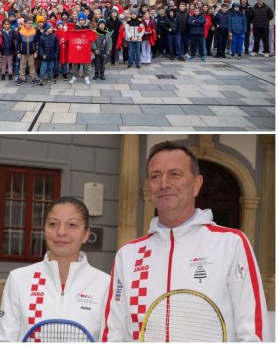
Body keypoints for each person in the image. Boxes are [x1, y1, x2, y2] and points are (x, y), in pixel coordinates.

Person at [103, 141, 270, 342]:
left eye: (175, 174)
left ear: (197, 184)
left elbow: (253, 331)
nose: (164, 184)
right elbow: (113, 333)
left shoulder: (232, 243)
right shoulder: (128, 254)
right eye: (155, 176)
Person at [0, 197, 109, 341]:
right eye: (53, 224)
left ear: (86, 234)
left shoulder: (105, 284)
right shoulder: (18, 279)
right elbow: (4, 339)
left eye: (72, 225)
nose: (61, 232)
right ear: (44, 229)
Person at [15, 19, 38, 85]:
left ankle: (33, 77)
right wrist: (18, 52)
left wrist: (36, 51)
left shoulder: (34, 31)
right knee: (22, 65)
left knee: (31, 65)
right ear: (25, 23)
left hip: (31, 52)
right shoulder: (20, 31)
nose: (30, 24)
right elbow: (18, 42)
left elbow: (36, 42)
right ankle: (22, 78)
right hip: (23, 52)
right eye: (29, 23)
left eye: (31, 23)